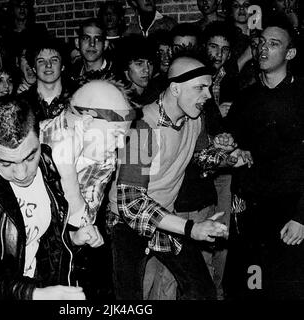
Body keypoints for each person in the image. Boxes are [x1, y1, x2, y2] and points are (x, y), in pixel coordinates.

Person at [0, 97, 102, 300]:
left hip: (32, 284)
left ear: (39, 139)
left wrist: (71, 239)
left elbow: (38, 239)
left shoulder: (46, 162)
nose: (21, 173)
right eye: (5, 163)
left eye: (30, 157)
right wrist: (34, 294)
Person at [108, 54, 236, 300]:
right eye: (200, 87)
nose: (208, 96)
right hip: (126, 222)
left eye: (209, 87)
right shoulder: (142, 126)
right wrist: (191, 228)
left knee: (202, 291)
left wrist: (226, 157)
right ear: (175, 88)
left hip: (164, 216)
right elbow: (131, 203)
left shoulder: (193, 119)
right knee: (130, 299)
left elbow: (198, 156)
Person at [225, 16, 304, 300]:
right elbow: (231, 146)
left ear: (290, 53)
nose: (263, 49)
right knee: (250, 288)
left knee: (288, 287)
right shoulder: (246, 98)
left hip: (290, 213)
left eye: (274, 44)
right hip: (253, 212)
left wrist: (301, 217)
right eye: (260, 43)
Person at [40, 79, 134, 299]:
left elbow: (80, 221)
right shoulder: (31, 140)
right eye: (116, 134)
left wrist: (68, 174)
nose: (121, 145)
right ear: (86, 122)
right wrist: (67, 172)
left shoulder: (105, 159)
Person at [20, 37, 70, 121]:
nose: (48, 65)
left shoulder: (76, 97)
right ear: (34, 68)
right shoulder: (23, 103)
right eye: (41, 61)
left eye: (54, 60)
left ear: (62, 66)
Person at [70, 18, 116, 92]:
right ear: (77, 43)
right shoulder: (70, 78)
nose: (92, 44)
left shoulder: (116, 79)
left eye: (97, 39)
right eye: (86, 38)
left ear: (106, 44)